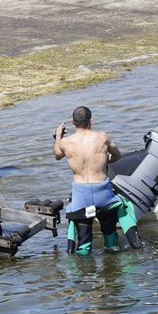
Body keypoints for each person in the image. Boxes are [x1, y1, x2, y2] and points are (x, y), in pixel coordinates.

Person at [53, 106, 122, 255]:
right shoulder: (103, 137)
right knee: (110, 234)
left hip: (81, 196)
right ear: (91, 120)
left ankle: (84, 273)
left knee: (83, 243)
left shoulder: (65, 143)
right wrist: (103, 162)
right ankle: (113, 268)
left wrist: (58, 136)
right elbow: (117, 155)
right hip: (103, 194)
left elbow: (57, 155)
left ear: (73, 122)